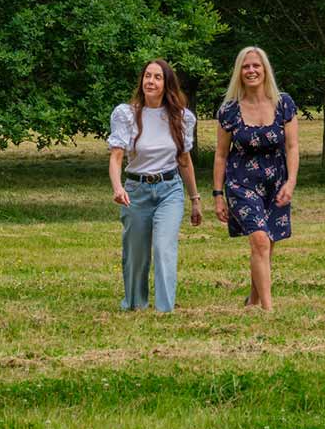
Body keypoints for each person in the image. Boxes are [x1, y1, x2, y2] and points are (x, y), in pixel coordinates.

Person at [107, 58, 202, 312]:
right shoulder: (126, 114)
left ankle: (164, 308)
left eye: (157, 77)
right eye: (147, 76)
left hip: (169, 189)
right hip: (136, 191)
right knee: (136, 254)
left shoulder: (181, 118)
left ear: (166, 84)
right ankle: (135, 304)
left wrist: (195, 200)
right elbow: (116, 156)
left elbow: (184, 160)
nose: (150, 81)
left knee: (163, 247)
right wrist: (118, 187)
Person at [212, 46, 299, 311]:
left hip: (276, 182)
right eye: (246, 67)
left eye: (256, 66)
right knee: (260, 240)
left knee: (266, 245)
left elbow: (292, 147)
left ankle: (253, 300)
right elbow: (220, 155)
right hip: (241, 183)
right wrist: (217, 195)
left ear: (265, 70)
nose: (251, 71)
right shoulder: (229, 111)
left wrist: (291, 181)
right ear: (239, 72)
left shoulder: (284, 103)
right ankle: (268, 310)